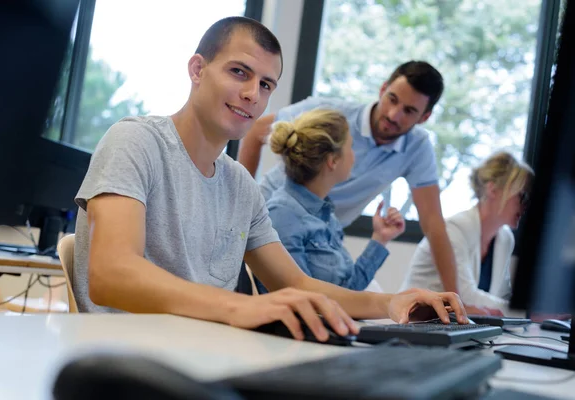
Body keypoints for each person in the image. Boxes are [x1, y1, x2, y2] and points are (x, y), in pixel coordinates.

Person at [72, 16, 468, 342]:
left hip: (203, 355)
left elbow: (295, 283)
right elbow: (111, 275)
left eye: (265, 85)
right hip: (124, 358)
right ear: (197, 69)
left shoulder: (241, 187)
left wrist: (390, 303)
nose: (251, 94)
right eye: (238, 72)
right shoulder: (135, 141)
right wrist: (242, 307)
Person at [238, 61, 480, 312]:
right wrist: (243, 210)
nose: (393, 115)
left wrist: (457, 303)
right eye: (392, 99)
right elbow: (257, 131)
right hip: (273, 224)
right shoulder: (330, 115)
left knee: (365, 298)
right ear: (382, 89)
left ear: (425, 117)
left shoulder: (417, 148)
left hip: (325, 234)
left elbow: (433, 223)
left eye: (409, 111)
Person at [254, 109, 405, 294]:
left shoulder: (325, 215)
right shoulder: (283, 215)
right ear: (333, 160)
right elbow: (301, 300)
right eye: (350, 147)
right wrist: (387, 304)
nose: (354, 155)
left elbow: (349, 290)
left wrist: (380, 239)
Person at [400, 152, 534, 316]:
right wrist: (529, 312)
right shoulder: (455, 228)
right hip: (415, 322)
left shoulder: (505, 239)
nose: (526, 206)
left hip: (456, 325)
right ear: (493, 190)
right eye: (522, 196)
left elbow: (503, 297)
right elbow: (465, 297)